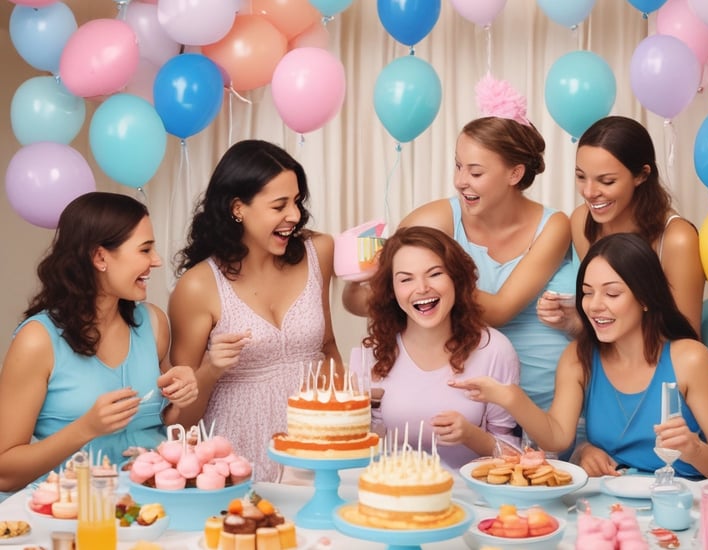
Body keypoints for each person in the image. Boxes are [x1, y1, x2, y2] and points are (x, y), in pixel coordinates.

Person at [344, 75, 574, 414]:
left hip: (546, 398)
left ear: (514, 174)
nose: (460, 181)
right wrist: (359, 278)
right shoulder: (436, 219)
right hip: (468, 398)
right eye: (458, 166)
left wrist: (440, 283)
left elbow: (500, 310)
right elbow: (374, 297)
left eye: (475, 172)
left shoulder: (554, 226)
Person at [450, 233, 708, 481]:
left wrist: (695, 450)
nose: (594, 306)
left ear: (645, 297)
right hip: (612, 506)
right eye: (587, 293)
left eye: (612, 294)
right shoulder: (578, 358)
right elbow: (557, 437)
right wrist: (509, 397)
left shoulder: (690, 360)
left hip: (683, 506)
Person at [169, 139, 343, 482]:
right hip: (235, 463)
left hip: (315, 453)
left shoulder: (319, 252)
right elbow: (179, 421)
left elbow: (327, 346)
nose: (294, 215)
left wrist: (348, 415)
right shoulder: (198, 286)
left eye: (296, 201)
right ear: (238, 208)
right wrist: (210, 370)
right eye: (279, 205)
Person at [0, 192, 198, 493]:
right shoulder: (37, 340)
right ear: (100, 257)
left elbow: (170, 425)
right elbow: (5, 472)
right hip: (70, 508)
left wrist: (183, 396)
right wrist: (86, 428)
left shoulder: (154, 323)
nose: (156, 260)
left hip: (152, 505)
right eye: (145, 249)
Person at [352, 226, 521, 469]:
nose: (422, 288)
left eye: (434, 274)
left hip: (468, 491)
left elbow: (516, 456)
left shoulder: (494, 350)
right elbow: (360, 444)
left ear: (455, 278)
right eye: (406, 279)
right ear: (391, 290)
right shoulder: (373, 352)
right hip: (392, 487)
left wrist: (472, 436)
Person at [538, 115, 705, 337]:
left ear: (641, 175)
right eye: (581, 176)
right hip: (608, 354)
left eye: (607, 181)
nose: (589, 192)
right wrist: (575, 320)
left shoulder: (677, 239)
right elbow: (608, 319)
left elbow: (686, 340)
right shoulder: (581, 221)